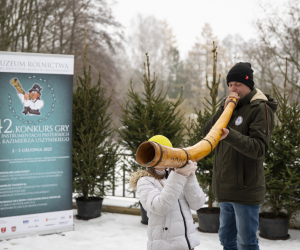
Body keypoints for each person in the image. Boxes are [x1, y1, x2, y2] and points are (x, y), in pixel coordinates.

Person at [203, 62, 277, 250]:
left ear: (249, 85)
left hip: (245, 190)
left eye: (238, 84)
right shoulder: (228, 106)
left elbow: (259, 149)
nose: (233, 89)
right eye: (230, 85)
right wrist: (222, 109)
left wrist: (231, 135)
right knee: (226, 241)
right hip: (225, 188)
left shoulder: (260, 108)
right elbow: (206, 133)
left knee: (246, 243)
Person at [130, 135, 206, 250]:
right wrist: (180, 175)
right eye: (159, 154)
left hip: (188, 245)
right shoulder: (144, 181)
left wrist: (189, 175)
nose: (163, 158)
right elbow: (161, 207)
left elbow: (197, 204)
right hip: (165, 246)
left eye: (166, 153)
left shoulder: (177, 173)